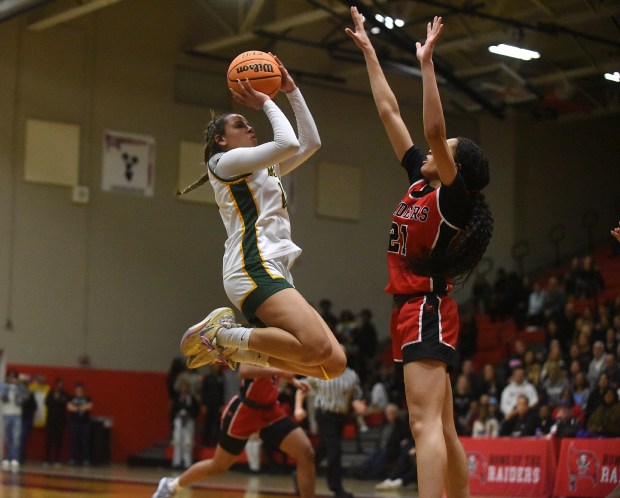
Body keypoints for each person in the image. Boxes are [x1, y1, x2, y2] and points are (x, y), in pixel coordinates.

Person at [346, 8, 493, 498]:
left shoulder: (453, 201)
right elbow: (390, 112)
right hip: (415, 309)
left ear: (455, 166)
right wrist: (370, 54)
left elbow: (433, 130)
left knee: (425, 427)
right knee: (443, 429)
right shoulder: (419, 184)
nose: (432, 151)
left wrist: (427, 63)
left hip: (424, 310)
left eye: (444, 150)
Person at [175, 54, 346, 382]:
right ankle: (222, 336)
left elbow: (311, 142)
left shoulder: (263, 167)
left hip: (271, 268)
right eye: (239, 124)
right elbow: (288, 142)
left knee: (331, 364)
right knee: (314, 346)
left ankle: (240, 355)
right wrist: (267, 100)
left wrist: (292, 91)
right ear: (220, 140)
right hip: (252, 265)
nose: (249, 126)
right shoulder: (223, 163)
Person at [152, 364, 316, 498]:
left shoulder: (284, 343)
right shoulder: (258, 339)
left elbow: (276, 375)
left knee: (306, 452)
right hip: (245, 411)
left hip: (270, 411)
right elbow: (244, 371)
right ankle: (171, 485)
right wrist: (279, 371)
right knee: (219, 466)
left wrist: (293, 381)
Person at [295, 361, 367, 498]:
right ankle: (337, 488)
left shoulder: (351, 375)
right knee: (335, 450)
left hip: (340, 417)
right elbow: (301, 387)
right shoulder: (320, 371)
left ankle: (301, 474)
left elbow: (356, 395)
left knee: (322, 450)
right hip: (324, 414)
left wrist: (357, 404)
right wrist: (298, 407)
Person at [0, 369, 29, 471]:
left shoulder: (20, 387)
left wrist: (18, 386)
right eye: (10, 376)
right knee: (7, 437)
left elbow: (26, 396)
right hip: (6, 414)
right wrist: (7, 388)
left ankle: (15, 458)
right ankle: (7, 457)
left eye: (14, 377)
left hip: (17, 414)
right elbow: (2, 396)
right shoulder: (3, 386)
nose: (12, 379)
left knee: (16, 437)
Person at [170, 379, 200, 469]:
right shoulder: (176, 398)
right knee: (177, 441)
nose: (184, 389)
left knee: (188, 442)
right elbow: (172, 410)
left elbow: (196, 410)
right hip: (178, 421)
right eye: (182, 387)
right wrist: (177, 414)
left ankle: (187, 462)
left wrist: (189, 414)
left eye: (186, 387)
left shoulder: (192, 398)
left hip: (189, 421)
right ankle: (176, 462)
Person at [44, 378, 69, 466]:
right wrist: (57, 402)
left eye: (61, 384)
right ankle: (47, 459)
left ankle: (57, 459)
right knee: (49, 440)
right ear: (55, 385)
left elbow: (66, 403)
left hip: (60, 420)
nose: (60, 386)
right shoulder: (50, 393)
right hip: (51, 420)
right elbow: (47, 403)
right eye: (58, 384)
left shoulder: (65, 394)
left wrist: (58, 402)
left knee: (58, 440)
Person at [67, 382, 93, 466]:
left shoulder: (87, 398)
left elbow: (89, 406)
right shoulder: (71, 398)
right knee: (74, 440)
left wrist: (77, 408)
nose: (79, 391)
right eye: (77, 389)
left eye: (80, 389)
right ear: (75, 390)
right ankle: (73, 459)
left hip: (85, 422)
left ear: (83, 390)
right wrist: (81, 408)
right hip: (74, 422)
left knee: (85, 440)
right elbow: (69, 408)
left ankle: (86, 459)